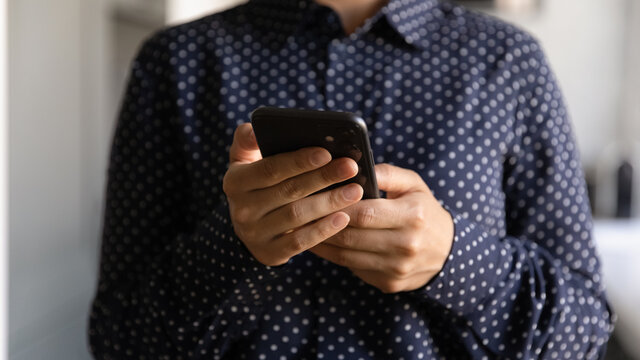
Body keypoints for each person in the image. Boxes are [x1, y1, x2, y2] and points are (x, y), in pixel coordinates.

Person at [88, 0, 614, 358]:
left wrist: (453, 261)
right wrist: (234, 245)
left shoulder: (507, 64)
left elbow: (584, 332)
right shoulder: (178, 62)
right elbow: (118, 336)